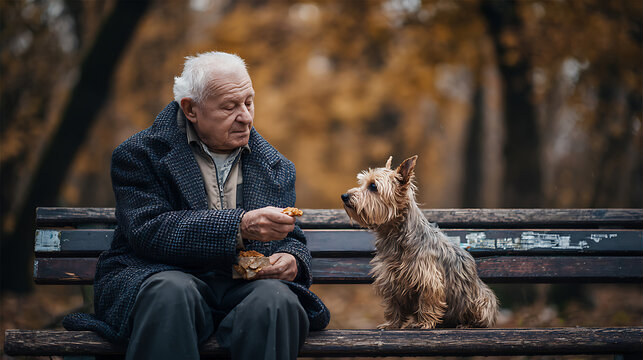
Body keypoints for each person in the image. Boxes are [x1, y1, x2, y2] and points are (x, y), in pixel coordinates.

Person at [63, 51, 330, 360]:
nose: (245, 116)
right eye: (230, 106)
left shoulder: (276, 166)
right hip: (160, 274)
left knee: (276, 301)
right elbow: (149, 230)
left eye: (249, 101)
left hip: (241, 285)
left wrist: (291, 260)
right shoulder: (139, 155)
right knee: (170, 293)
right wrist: (239, 226)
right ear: (191, 109)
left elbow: (290, 237)